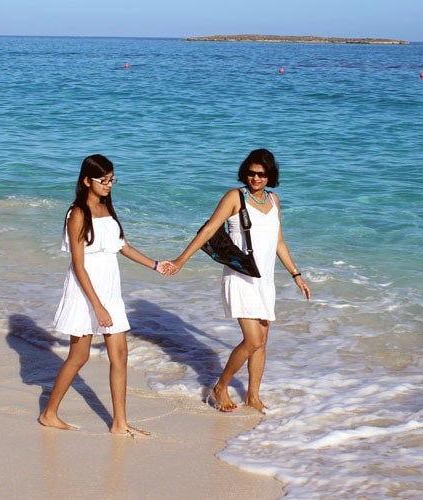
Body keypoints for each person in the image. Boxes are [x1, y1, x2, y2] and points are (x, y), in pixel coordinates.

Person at [38, 154, 174, 436]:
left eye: (112, 179)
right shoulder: (77, 213)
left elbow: (123, 246)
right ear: (87, 181)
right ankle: (49, 413)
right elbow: (78, 264)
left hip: (111, 292)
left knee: (120, 356)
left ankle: (119, 423)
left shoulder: (106, 209)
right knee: (79, 356)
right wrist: (97, 306)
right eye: (104, 180)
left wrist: (156, 264)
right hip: (86, 292)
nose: (109, 185)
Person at [170, 148, 310, 412]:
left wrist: (296, 274)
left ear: (270, 176)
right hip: (241, 276)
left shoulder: (274, 201)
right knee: (253, 340)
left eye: (261, 174)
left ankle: (253, 396)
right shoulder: (235, 197)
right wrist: (181, 259)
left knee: (262, 344)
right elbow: (210, 228)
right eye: (251, 173)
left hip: (264, 280)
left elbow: (279, 242)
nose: (255, 178)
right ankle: (220, 386)